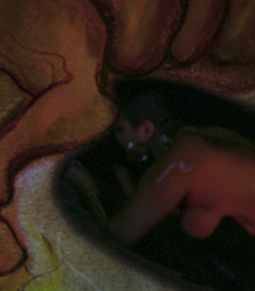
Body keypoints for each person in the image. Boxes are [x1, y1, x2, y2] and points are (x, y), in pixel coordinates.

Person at [105, 79, 255, 246]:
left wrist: (88, 188)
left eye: (120, 131)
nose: (119, 141)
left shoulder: (183, 161)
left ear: (146, 129)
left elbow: (119, 234)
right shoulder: (205, 138)